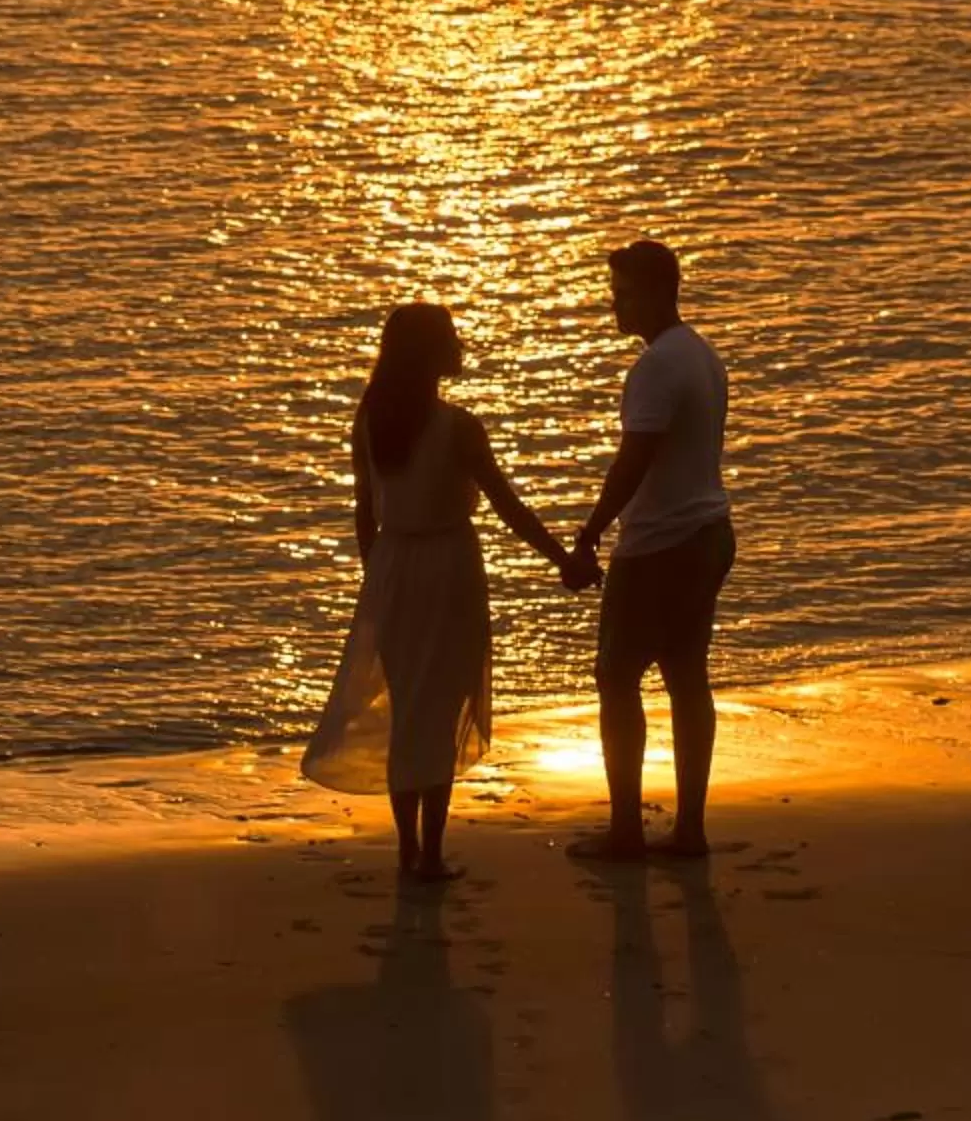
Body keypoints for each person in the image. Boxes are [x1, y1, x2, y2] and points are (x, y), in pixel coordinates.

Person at [303, 301, 589, 880]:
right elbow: (509, 508)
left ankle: (409, 851)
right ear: (430, 355)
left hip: (392, 568)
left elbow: (365, 515)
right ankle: (428, 855)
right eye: (450, 339)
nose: (460, 347)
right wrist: (564, 558)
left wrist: (376, 579)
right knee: (440, 709)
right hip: (449, 568)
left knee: (411, 707)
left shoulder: (369, 420)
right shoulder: (458, 427)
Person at [568, 240, 735, 861]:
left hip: (662, 542)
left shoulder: (657, 367)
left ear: (658, 292)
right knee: (687, 678)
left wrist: (590, 532)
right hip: (709, 531)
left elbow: (633, 460)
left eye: (625, 291)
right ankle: (688, 828)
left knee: (616, 677)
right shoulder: (701, 355)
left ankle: (626, 830)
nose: (616, 303)